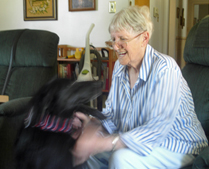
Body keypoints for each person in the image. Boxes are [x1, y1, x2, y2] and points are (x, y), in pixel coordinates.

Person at [72, 5, 208, 169]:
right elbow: (113, 114)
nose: (115, 46)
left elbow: (156, 129)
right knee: (89, 153)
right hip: (141, 142)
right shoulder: (119, 68)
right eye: (113, 39)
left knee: (120, 159)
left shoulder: (165, 69)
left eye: (123, 39)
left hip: (179, 146)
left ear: (144, 38)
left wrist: (107, 142)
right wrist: (92, 124)